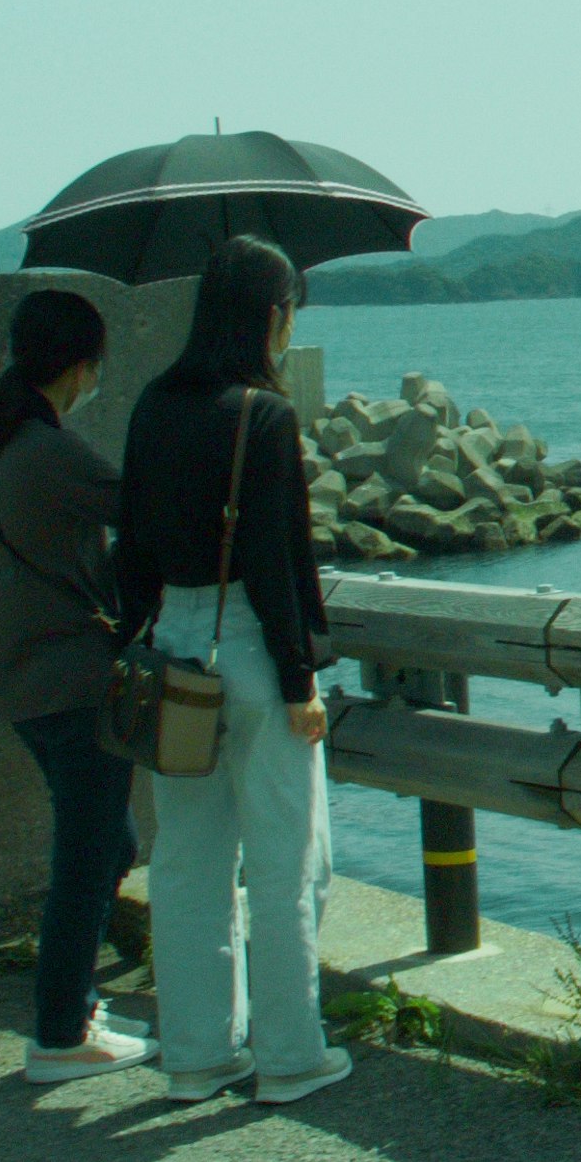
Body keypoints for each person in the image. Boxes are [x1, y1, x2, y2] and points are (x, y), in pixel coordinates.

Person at [115, 235, 345, 1105]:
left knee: (187, 863)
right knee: (288, 862)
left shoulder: (152, 406)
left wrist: (132, 645)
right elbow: (278, 564)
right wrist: (301, 683)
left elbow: (130, 548)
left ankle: (199, 1053)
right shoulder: (263, 415)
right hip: (251, 648)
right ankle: (291, 1056)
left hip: (174, 647)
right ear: (271, 314)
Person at [0, 287, 153, 1082]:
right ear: (81, 366)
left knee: (107, 842)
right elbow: (144, 509)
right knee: (87, 856)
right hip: (71, 681)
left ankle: (70, 1007)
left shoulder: (1, 440)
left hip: (25, 680)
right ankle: (59, 1031)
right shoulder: (49, 449)